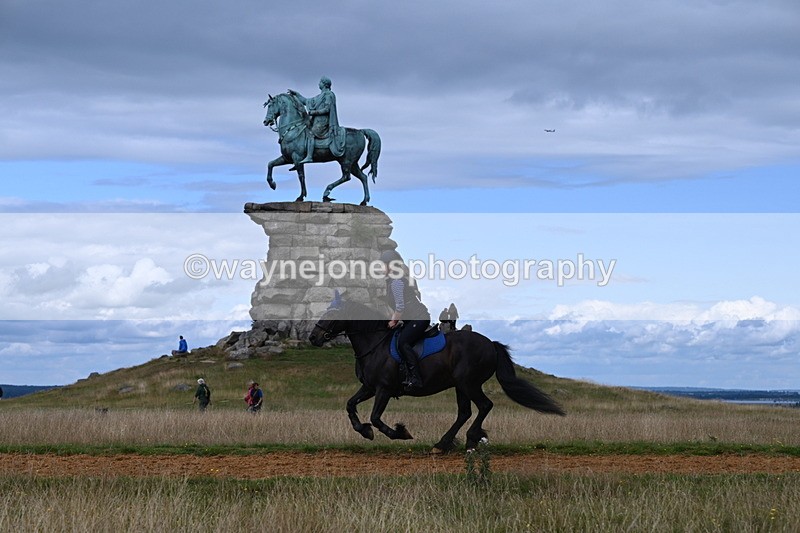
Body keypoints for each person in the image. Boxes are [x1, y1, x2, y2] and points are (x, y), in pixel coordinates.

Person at [380, 249, 430, 391]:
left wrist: (393, 321)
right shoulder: (392, 281)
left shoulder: (396, 282)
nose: (381, 268)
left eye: (383, 264)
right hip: (412, 319)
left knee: (403, 343)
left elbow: (400, 307)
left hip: (419, 318)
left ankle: (416, 378)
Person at [287, 76, 344, 163]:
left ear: (324, 84)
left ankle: (309, 156)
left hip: (323, 122)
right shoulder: (319, 96)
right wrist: (296, 94)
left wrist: (314, 112)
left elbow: (327, 109)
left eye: (320, 82)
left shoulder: (329, 95)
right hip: (316, 121)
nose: (318, 84)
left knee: (310, 133)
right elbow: (306, 101)